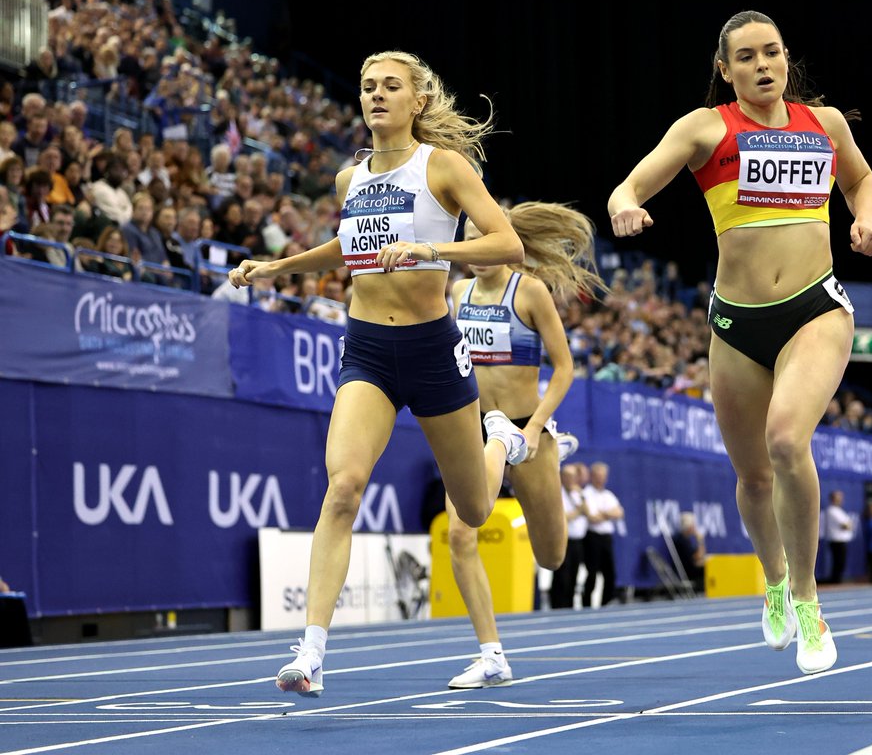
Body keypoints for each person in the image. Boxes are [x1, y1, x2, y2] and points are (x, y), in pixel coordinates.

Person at [228, 50, 526, 699]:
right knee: (344, 486)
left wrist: (432, 249)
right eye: (366, 87)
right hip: (366, 351)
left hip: (432, 350)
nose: (375, 95)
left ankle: (501, 437)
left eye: (390, 86)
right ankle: (311, 653)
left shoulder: (443, 166)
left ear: (418, 100)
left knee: (472, 508)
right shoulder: (349, 179)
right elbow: (348, 247)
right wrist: (275, 269)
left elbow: (508, 244)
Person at [607, 10, 872, 674]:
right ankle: (776, 584)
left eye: (774, 53)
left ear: (787, 59)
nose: (764, 66)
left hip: (816, 308)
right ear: (725, 69)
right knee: (753, 476)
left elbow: (860, 181)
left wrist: (866, 220)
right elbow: (634, 181)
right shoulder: (705, 129)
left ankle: (812, 603)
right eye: (748, 57)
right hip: (736, 323)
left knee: (787, 440)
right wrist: (624, 203)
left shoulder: (827, 124)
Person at [443, 202, 602, 688]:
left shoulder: (529, 292)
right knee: (461, 533)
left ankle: (555, 444)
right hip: (475, 429)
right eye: (472, 242)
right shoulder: (457, 292)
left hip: (525, 429)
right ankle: (491, 655)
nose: (479, 252)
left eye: (488, 239)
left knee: (552, 556)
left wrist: (535, 428)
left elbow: (565, 367)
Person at [581, 461, 624, 607]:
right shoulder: (586, 493)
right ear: (592, 476)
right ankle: (586, 603)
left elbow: (619, 512)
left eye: (603, 476)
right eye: (597, 476)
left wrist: (604, 514)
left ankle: (607, 602)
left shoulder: (608, 494)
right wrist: (609, 514)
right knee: (592, 573)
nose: (600, 479)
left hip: (606, 537)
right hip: (592, 537)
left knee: (610, 573)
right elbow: (592, 517)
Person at [549, 463, 589, 610]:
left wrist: (580, 498)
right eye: (568, 476)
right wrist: (579, 512)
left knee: (574, 574)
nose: (571, 479)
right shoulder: (557, 493)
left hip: (578, 541)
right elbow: (562, 517)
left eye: (573, 476)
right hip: (563, 539)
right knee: (562, 575)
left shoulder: (577, 493)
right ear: (562, 477)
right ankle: (558, 605)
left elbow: (588, 513)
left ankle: (570, 605)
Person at [823, 490, 854, 584]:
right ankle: (835, 581)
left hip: (841, 541)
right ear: (833, 499)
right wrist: (848, 524)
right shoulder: (831, 510)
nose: (841, 499)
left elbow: (849, 525)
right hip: (836, 541)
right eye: (838, 497)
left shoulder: (839, 511)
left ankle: (837, 580)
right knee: (838, 562)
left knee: (841, 563)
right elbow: (846, 525)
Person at [672, 511, 707, 591]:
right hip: (686, 572)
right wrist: (700, 541)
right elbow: (698, 556)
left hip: (688, 569)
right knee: (709, 569)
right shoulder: (682, 540)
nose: (695, 527)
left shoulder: (684, 539)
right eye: (693, 524)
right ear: (689, 526)